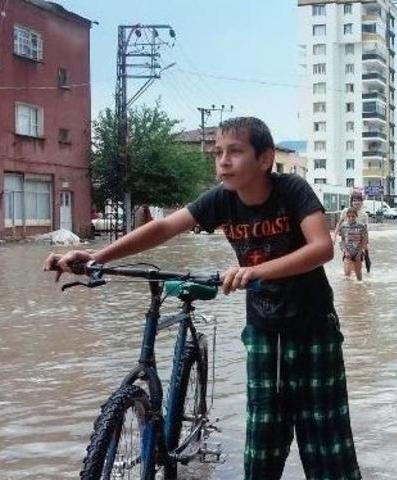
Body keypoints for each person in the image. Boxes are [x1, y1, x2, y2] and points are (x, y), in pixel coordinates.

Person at [43, 117, 360, 480]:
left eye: (235, 152)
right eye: (218, 153)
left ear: (265, 158)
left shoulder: (292, 190)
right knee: (262, 443)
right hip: (262, 328)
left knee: (325, 441)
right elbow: (163, 227)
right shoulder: (221, 200)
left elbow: (322, 248)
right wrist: (98, 257)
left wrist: (257, 270)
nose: (223, 161)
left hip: (312, 327)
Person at [333, 191, 371, 272]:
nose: (356, 202)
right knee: (347, 265)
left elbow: (365, 232)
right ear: (351, 202)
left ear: (361, 202)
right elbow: (338, 224)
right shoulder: (345, 211)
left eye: (358, 200)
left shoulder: (364, 215)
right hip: (347, 243)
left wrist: (366, 246)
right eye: (354, 200)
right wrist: (334, 237)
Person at [339, 208, 368, 281]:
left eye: (353, 216)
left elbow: (364, 240)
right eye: (349, 216)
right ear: (347, 216)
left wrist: (359, 252)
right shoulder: (343, 226)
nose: (351, 218)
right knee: (347, 274)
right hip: (347, 253)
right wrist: (346, 251)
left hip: (358, 252)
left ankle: (359, 290)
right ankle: (349, 291)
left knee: (359, 276)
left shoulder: (361, 226)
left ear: (356, 216)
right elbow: (342, 240)